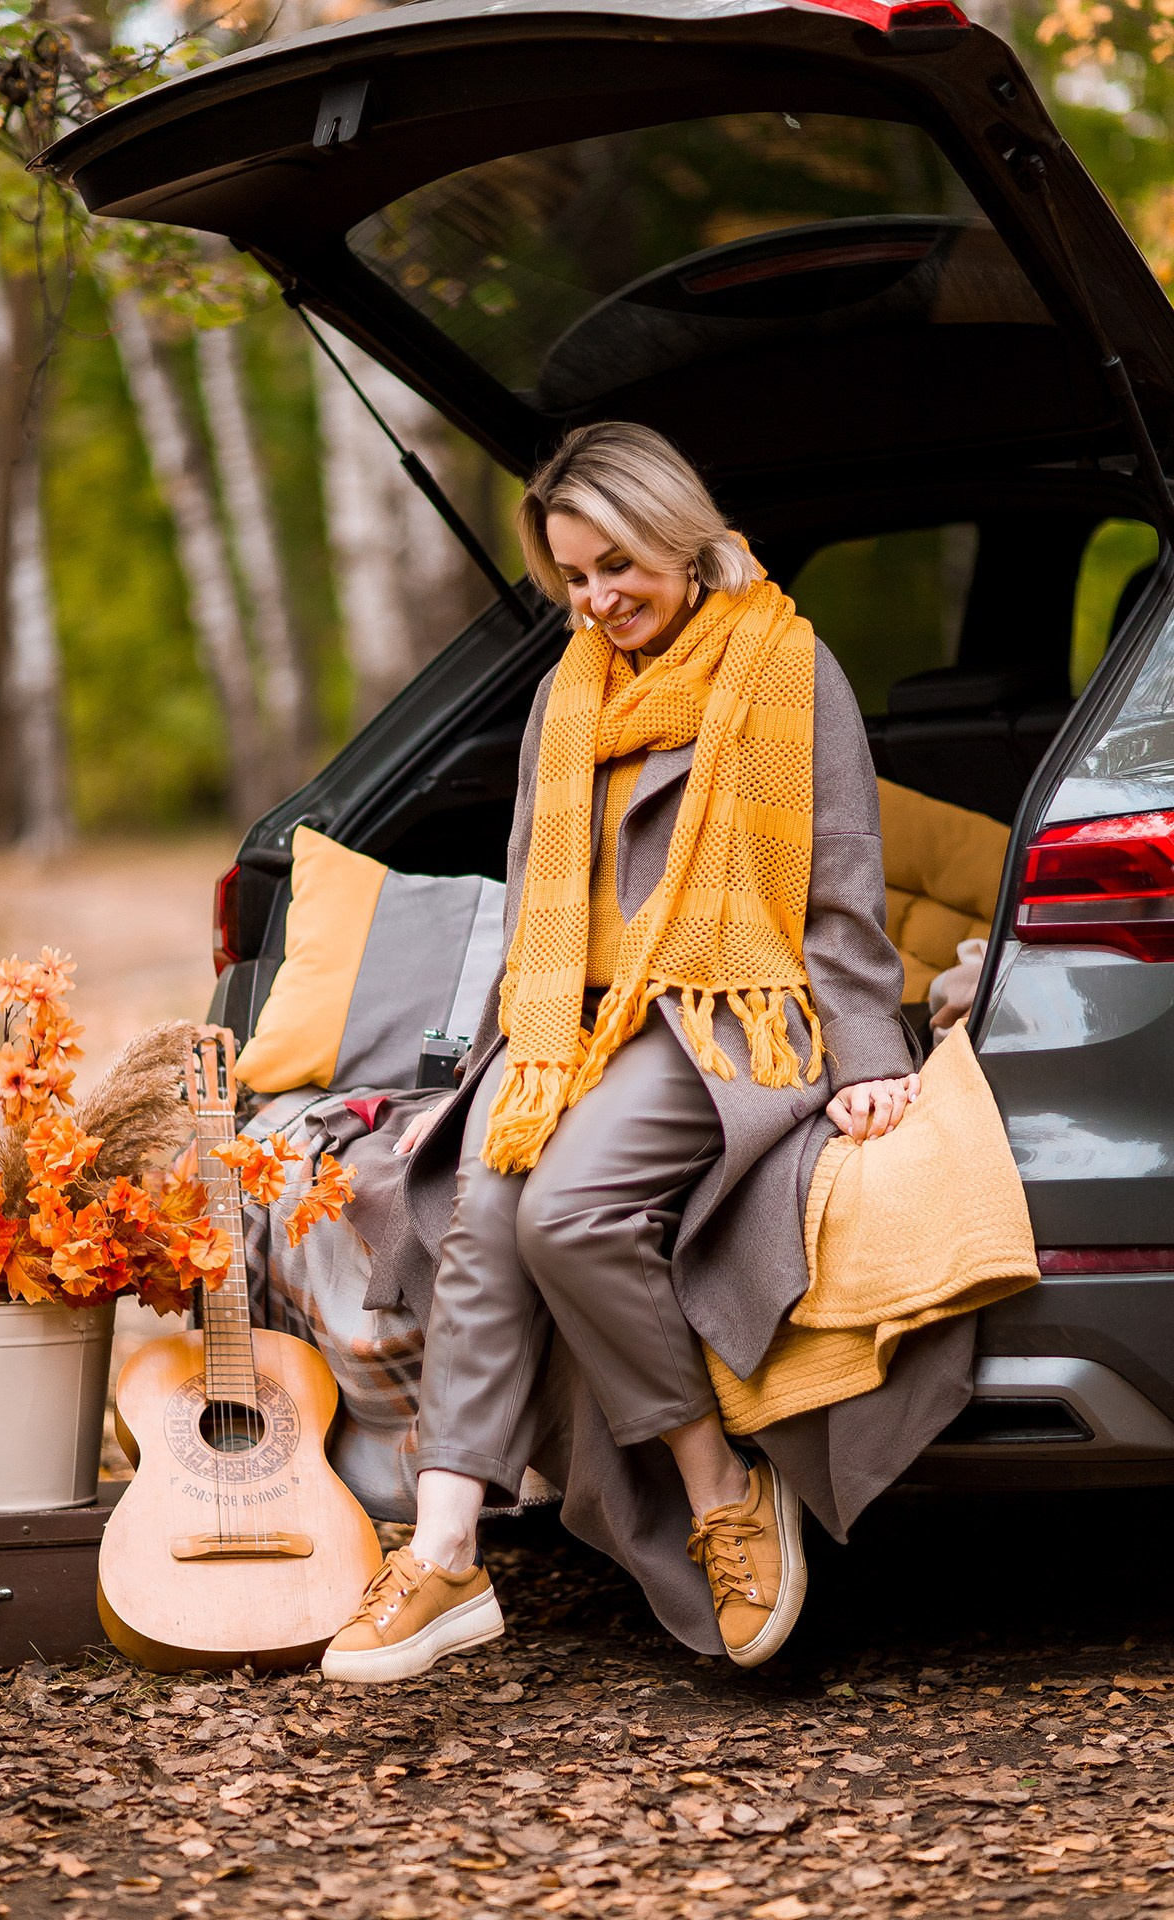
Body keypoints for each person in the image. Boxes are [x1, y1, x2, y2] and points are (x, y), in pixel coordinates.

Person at [322, 423, 974, 1686]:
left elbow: (837, 887)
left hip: (725, 1017)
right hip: (578, 1027)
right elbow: (535, 912)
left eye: (618, 566)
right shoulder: (569, 689)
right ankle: (448, 1545)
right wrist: (480, 1081)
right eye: (572, 577)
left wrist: (860, 1057)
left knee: (566, 1213)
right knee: (487, 1197)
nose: (596, 600)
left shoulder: (786, 668)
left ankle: (717, 1487)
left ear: (683, 536)